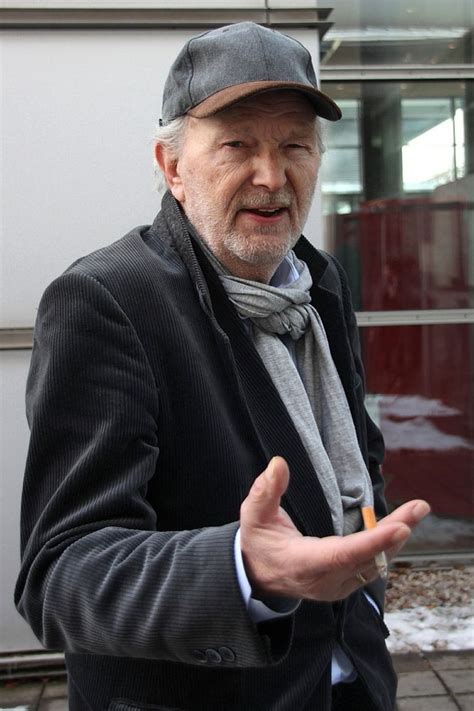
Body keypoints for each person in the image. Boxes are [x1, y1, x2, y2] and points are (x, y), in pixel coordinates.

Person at [15, 22, 430, 711]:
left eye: (294, 145)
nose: (272, 176)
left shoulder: (317, 283)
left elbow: (356, 449)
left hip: (351, 681)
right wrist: (243, 570)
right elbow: (62, 574)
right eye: (237, 145)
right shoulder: (110, 301)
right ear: (173, 166)